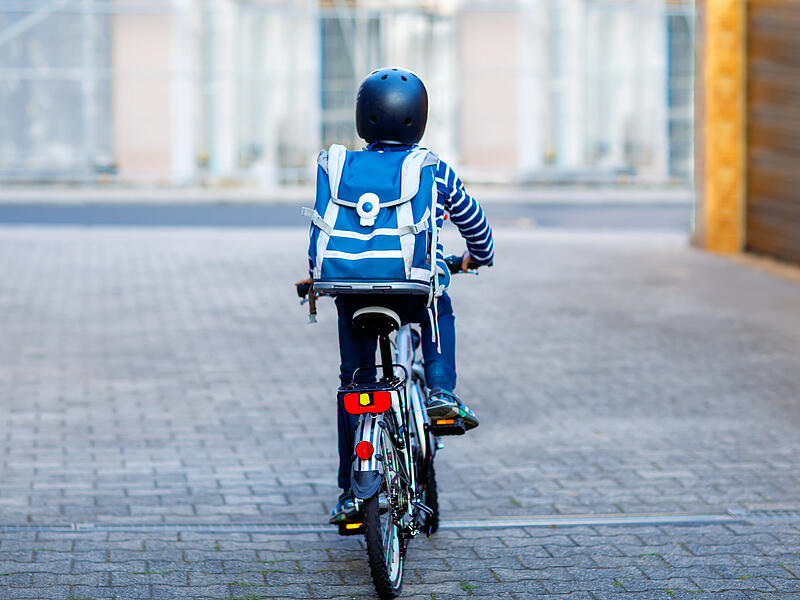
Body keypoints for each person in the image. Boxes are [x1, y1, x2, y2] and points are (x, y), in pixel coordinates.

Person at [300, 67, 494, 523]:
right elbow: (474, 222)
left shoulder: (340, 165)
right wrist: (479, 256)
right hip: (410, 289)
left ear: (363, 118)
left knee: (356, 386)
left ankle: (351, 493)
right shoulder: (432, 168)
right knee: (437, 304)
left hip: (349, 292)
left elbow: (324, 226)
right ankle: (441, 394)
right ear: (418, 118)